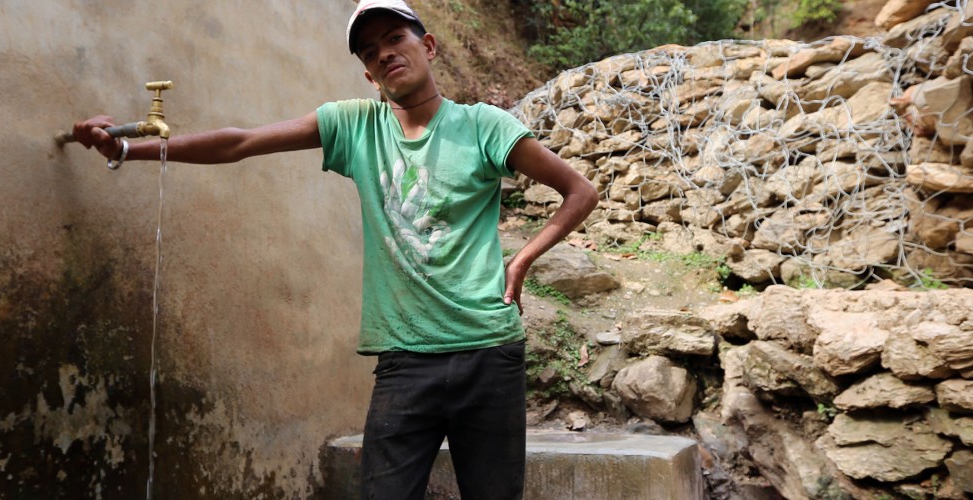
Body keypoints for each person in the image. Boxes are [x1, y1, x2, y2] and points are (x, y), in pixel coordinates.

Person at [69, 1, 596, 497]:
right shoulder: (355, 125)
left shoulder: (484, 126)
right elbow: (242, 142)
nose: (385, 53)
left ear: (428, 47)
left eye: (395, 38)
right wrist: (126, 149)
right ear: (369, 76)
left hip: (488, 351)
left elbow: (581, 191)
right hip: (405, 359)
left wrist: (521, 259)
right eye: (370, 52)